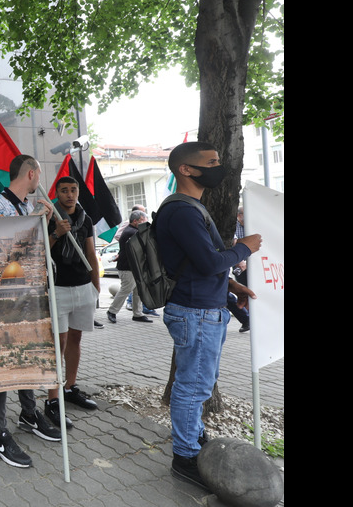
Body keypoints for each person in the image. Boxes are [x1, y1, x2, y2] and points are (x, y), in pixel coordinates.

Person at [156, 141, 261, 490]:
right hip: (196, 312)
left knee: (198, 384)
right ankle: (185, 456)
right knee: (193, 386)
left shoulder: (189, 208)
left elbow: (201, 266)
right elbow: (208, 262)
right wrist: (245, 247)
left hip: (203, 308)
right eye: (212, 162)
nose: (219, 167)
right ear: (186, 169)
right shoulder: (183, 211)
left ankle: (194, 441)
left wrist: (233, 287)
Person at [0, 154, 61, 468]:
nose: (40, 182)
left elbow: (37, 253)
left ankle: (29, 413)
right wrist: (35, 224)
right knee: (2, 363)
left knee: (27, 354)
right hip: (4, 298)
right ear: (31, 174)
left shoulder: (29, 208)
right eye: (39, 175)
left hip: (30, 295)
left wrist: (48, 227)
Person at [43, 176, 101, 431]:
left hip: (82, 286)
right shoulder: (48, 215)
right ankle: (52, 400)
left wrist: (95, 286)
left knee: (76, 339)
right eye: (64, 190)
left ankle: (70, 387)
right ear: (56, 193)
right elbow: (39, 250)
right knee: (59, 341)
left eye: (73, 190)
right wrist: (56, 232)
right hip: (57, 287)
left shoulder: (85, 218)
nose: (69, 194)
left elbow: (91, 253)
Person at [105, 210, 151, 323]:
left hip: (134, 267)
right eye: (143, 220)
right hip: (127, 267)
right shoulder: (132, 232)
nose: (145, 222)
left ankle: (138, 314)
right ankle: (112, 311)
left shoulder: (132, 230)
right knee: (126, 289)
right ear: (135, 221)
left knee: (138, 290)